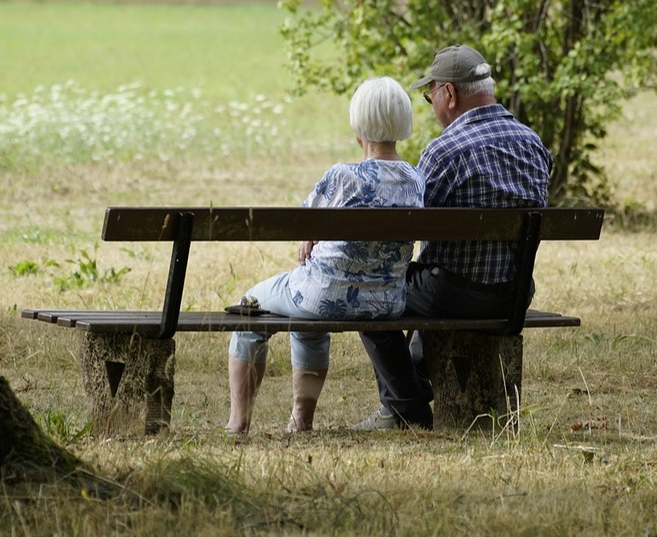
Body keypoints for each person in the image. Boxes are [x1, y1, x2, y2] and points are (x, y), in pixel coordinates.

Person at [353, 45, 553, 431]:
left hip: (454, 296)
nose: (432, 106)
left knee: (368, 290)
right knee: (430, 277)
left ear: (449, 93)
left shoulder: (444, 151)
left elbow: (410, 229)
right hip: (514, 294)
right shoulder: (534, 145)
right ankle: (409, 392)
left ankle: (406, 408)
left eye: (430, 97)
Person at [225, 76, 426, 436]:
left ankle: (238, 423)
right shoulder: (415, 179)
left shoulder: (343, 177)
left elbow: (302, 223)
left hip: (323, 297)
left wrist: (310, 237)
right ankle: (300, 421)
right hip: (386, 303)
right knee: (305, 314)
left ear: (359, 126)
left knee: (249, 307)